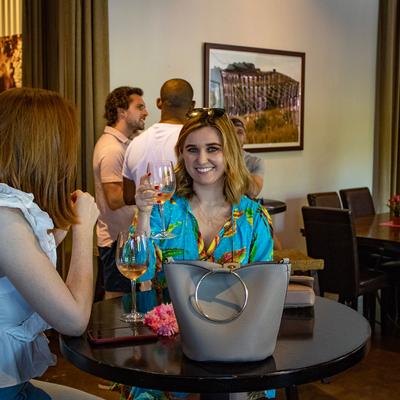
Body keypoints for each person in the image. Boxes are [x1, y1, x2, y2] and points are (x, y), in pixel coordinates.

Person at [131, 108, 274, 400]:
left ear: (230, 153)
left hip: (237, 346)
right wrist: (143, 216)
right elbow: (140, 273)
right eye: (192, 150)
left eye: (213, 149)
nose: (202, 159)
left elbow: (265, 293)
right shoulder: (162, 210)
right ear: (181, 154)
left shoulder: (254, 219)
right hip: (169, 347)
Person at [0, 88, 100, 399]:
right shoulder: (5, 217)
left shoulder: (11, 209)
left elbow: (27, 272)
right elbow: (73, 320)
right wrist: (85, 229)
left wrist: (64, 227)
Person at [93, 86, 149, 299]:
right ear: (122, 111)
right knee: (117, 303)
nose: (146, 112)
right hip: (118, 240)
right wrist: (149, 189)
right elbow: (115, 199)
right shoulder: (112, 149)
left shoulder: (124, 145)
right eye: (140, 107)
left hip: (126, 237)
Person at [122, 78, 195, 205]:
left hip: (144, 222)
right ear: (192, 106)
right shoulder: (195, 142)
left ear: (159, 103)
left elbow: (128, 198)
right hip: (183, 223)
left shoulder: (135, 143)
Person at [230, 116, 265, 199]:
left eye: (239, 132)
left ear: (245, 137)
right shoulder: (216, 159)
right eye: (231, 132)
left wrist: (235, 160)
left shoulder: (255, 161)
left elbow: (254, 192)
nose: (235, 136)